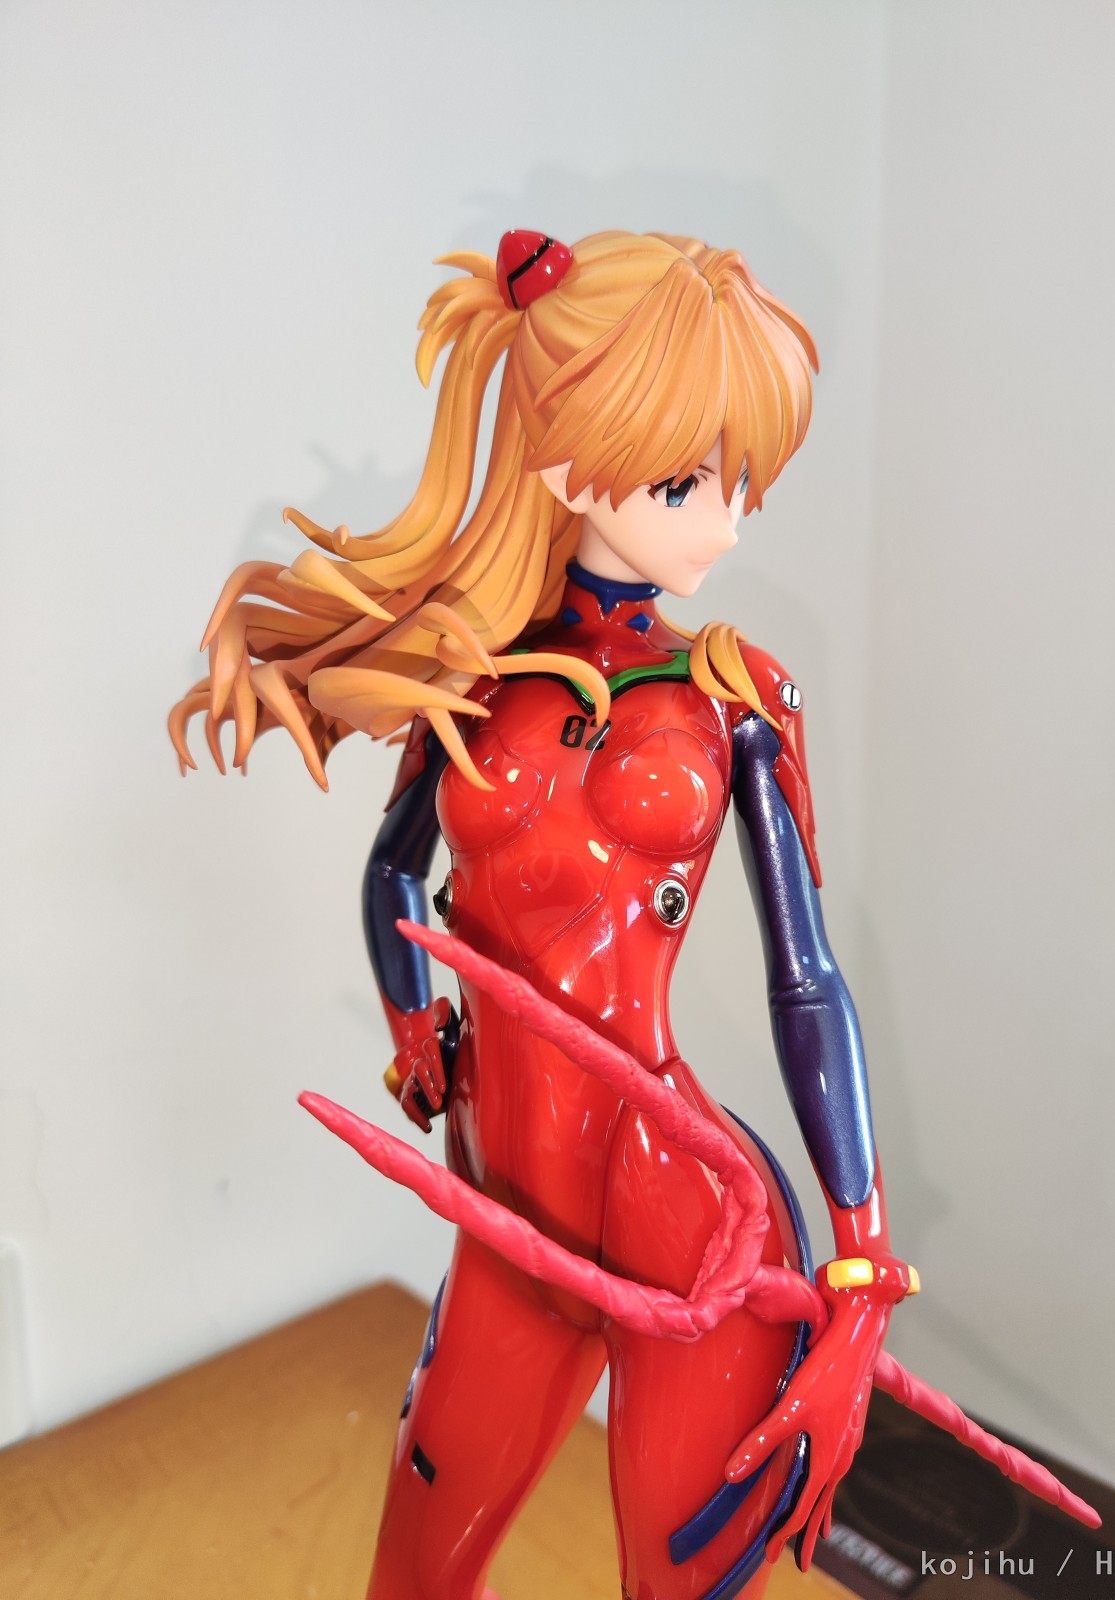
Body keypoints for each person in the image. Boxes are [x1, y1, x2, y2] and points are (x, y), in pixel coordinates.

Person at [171, 229, 919, 1600]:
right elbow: (395, 872)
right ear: (570, 460)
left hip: (687, 1232)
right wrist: (415, 1029)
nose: (727, 524)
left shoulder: (735, 696)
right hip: (505, 1210)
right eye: (690, 480)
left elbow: (804, 978)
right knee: (413, 1573)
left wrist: (862, 1255)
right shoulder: (470, 672)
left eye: (740, 481)